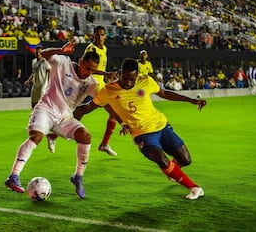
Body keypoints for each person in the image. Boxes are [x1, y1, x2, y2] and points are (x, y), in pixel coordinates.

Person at [74, 58, 207, 200]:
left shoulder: (146, 81)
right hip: (142, 134)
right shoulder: (109, 90)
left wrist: (191, 100)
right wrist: (68, 113)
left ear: (136, 75)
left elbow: (165, 93)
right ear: (120, 74)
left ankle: (173, 171)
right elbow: (88, 108)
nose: (128, 83)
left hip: (161, 126)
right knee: (160, 158)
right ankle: (194, 188)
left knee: (185, 160)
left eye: (132, 79)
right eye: (125, 78)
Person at [4, 40, 100, 199]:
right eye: (87, 68)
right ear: (81, 62)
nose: (89, 72)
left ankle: (78, 176)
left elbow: (103, 100)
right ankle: (13, 176)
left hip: (64, 118)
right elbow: (44, 55)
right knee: (36, 137)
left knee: (86, 137)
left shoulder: (91, 83)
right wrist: (61, 50)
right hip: (46, 109)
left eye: (93, 70)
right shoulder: (63, 63)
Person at [47, 25, 118, 156]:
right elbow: (88, 66)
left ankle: (104, 144)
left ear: (105, 36)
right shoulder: (91, 48)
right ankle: (54, 134)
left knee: (109, 110)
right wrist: (106, 73)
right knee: (78, 112)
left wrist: (106, 77)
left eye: (102, 35)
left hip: (100, 84)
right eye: (97, 34)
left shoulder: (105, 49)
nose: (100, 37)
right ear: (94, 35)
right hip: (89, 83)